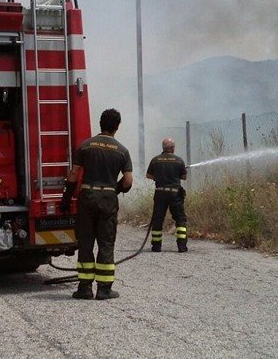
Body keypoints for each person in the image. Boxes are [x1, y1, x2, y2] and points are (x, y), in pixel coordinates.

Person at [60, 108, 133, 300]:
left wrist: (66, 198)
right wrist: (114, 189)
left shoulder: (85, 146)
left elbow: (74, 174)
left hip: (87, 198)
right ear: (117, 126)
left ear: (100, 123)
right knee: (106, 243)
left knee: (85, 243)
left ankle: (84, 288)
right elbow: (128, 181)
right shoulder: (122, 151)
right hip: (108, 200)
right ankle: (104, 289)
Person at [146, 138, 188, 252]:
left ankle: (156, 246)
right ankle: (182, 246)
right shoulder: (179, 161)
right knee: (180, 219)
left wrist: (157, 177)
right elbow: (184, 177)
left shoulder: (155, 160)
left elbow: (148, 175)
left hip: (160, 193)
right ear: (172, 148)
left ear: (163, 148)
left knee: (158, 219)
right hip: (175, 194)